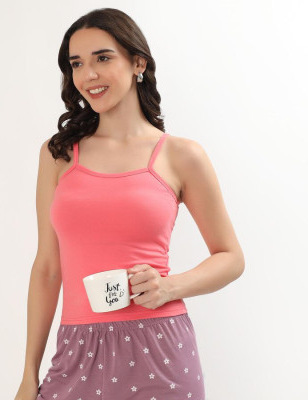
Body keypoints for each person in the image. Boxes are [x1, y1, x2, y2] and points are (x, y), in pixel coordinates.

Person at [14, 7, 245, 400]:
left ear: (138, 62)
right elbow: (48, 269)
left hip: (161, 349)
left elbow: (231, 257)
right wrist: (28, 374)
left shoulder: (181, 155)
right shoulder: (58, 155)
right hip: (76, 351)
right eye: (77, 63)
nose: (88, 75)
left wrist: (169, 287)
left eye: (102, 58)